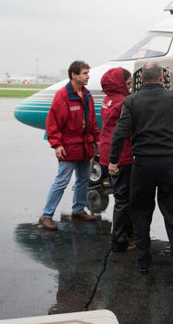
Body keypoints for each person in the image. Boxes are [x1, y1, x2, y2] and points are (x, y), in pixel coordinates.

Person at [108, 62, 173, 284]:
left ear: (141, 79)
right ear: (161, 78)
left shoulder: (132, 100)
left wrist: (113, 160)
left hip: (143, 164)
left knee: (141, 214)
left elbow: (120, 132)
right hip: (169, 163)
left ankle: (143, 264)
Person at [39, 60, 100, 230]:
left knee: (83, 180)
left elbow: (92, 121)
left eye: (88, 73)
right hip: (68, 148)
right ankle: (46, 215)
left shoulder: (87, 95)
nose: (88, 76)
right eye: (85, 73)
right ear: (74, 75)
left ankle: (78, 210)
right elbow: (53, 123)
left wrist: (97, 139)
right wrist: (57, 145)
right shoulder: (62, 95)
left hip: (85, 147)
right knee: (61, 182)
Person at [98, 67, 135, 252]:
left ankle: (124, 235)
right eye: (128, 83)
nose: (130, 87)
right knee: (123, 199)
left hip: (106, 152)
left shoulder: (108, 99)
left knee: (121, 197)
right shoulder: (123, 102)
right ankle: (119, 240)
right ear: (120, 83)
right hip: (121, 155)